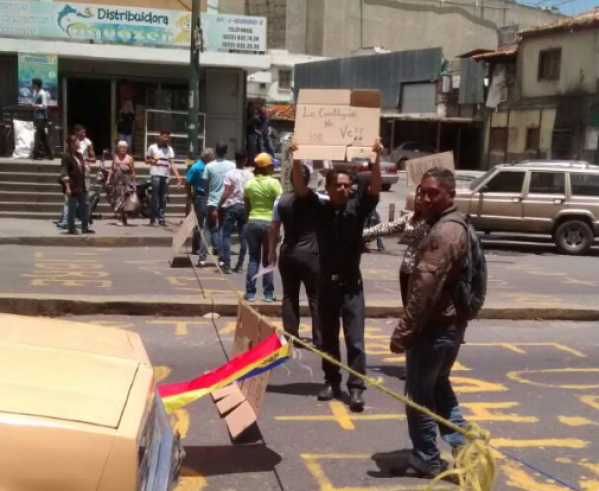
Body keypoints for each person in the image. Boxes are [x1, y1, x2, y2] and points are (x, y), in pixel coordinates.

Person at [290, 138, 383, 412]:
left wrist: (377, 159)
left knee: (355, 340)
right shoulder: (318, 210)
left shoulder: (357, 208)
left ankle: (356, 389)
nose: (343, 189)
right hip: (326, 287)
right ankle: (332, 381)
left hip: (352, 287)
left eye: (347, 185)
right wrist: (296, 157)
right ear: (328, 188)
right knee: (327, 339)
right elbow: (299, 187)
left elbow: (375, 188)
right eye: (338, 185)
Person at [389, 168, 469, 478]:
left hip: (433, 330)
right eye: (422, 191)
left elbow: (425, 288)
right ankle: (463, 443)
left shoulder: (445, 232)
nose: (425, 197)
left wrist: (403, 333)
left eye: (433, 193)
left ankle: (427, 458)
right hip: (449, 327)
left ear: (451, 195)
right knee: (438, 386)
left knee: (419, 396)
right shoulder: (443, 225)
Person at [268, 163, 322, 348]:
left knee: (290, 296)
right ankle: (319, 338)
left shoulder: (280, 201)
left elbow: (274, 227)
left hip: (288, 253)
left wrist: (270, 251)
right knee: (315, 297)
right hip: (310, 255)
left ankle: (292, 335)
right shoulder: (317, 199)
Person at [363, 185, 429, 305]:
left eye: (425, 195)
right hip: (406, 270)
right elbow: (387, 227)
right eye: (418, 194)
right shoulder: (410, 218)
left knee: (418, 310)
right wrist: (361, 234)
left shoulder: (436, 221)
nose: (420, 198)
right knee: (407, 306)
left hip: (423, 273)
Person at [243, 152, 282, 301]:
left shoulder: (249, 184)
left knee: (253, 259)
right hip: (269, 224)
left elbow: (247, 207)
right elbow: (279, 206)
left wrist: (249, 221)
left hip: (252, 221)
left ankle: (251, 293)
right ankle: (268, 294)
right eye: (272, 166)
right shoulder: (274, 184)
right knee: (269, 259)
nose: (273, 168)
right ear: (265, 168)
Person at [217, 150, 253, 274]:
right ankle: (240, 264)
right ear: (245, 159)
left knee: (226, 235)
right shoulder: (250, 175)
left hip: (232, 206)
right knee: (243, 237)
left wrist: (219, 205)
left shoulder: (229, 174)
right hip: (245, 206)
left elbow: (226, 192)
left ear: (235, 159)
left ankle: (226, 264)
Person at [203, 141, 236, 265]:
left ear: (216, 151)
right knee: (223, 230)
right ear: (226, 151)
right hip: (226, 202)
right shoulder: (231, 166)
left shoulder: (209, 166)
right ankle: (222, 258)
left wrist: (208, 197)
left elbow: (205, 184)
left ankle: (202, 257)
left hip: (212, 201)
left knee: (207, 229)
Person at [60, 134, 93, 235]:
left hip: (82, 185)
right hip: (73, 186)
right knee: (72, 207)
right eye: (76, 142)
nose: (78, 144)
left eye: (78, 142)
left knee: (86, 205)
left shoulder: (79, 155)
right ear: (71, 144)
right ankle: (71, 228)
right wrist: (67, 188)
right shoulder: (66, 156)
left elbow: (83, 167)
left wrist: (86, 167)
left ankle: (85, 227)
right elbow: (64, 171)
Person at [146, 130, 181, 226]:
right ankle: (153, 218)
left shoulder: (169, 149)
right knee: (155, 198)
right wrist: (152, 161)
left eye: (168, 137)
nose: (167, 139)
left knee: (164, 198)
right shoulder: (152, 147)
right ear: (160, 136)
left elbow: (172, 163)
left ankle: (161, 218)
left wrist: (177, 175)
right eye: (165, 137)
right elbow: (146, 160)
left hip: (166, 175)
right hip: (156, 174)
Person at [187, 148, 215, 266]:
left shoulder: (211, 166)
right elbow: (187, 182)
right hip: (201, 196)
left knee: (206, 224)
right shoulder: (196, 168)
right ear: (207, 157)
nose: (213, 157)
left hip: (210, 196)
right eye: (212, 155)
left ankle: (201, 247)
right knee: (200, 224)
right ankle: (196, 247)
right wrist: (190, 197)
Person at [108, 140, 136, 226]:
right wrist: (108, 179)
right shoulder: (115, 157)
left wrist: (132, 183)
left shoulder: (129, 158)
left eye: (125, 148)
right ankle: (122, 218)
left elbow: (133, 172)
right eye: (121, 147)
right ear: (118, 148)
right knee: (117, 200)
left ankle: (123, 219)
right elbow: (112, 169)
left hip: (126, 183)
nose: (123, 149)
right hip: (116, 183)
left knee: (123, 201)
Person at [30, 78, 53, 160]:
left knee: (38, 135)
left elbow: (44, 105)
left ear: (36, 84)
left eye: (32, 83)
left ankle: (35, 153)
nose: (31, 85)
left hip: (41, 118)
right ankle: (50, 154)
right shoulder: (37, 93)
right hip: (37, 117)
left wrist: (34, 105)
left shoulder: (42, 93)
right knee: (43, 137)